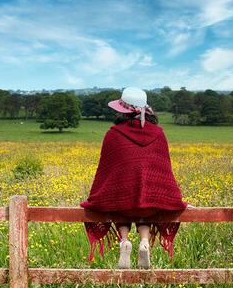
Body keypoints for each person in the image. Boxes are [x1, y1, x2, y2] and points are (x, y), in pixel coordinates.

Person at [80, 87, 190, 269]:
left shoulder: (113, 134)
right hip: (150, 204)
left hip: (121, 203)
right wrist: (178, 201)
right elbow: (165, 172)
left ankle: (124, 241)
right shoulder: (159, 133)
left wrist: (94, 198)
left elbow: (105, 173)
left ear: (123, 111)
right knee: (148, 204)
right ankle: (144, 242)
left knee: (118, 202)